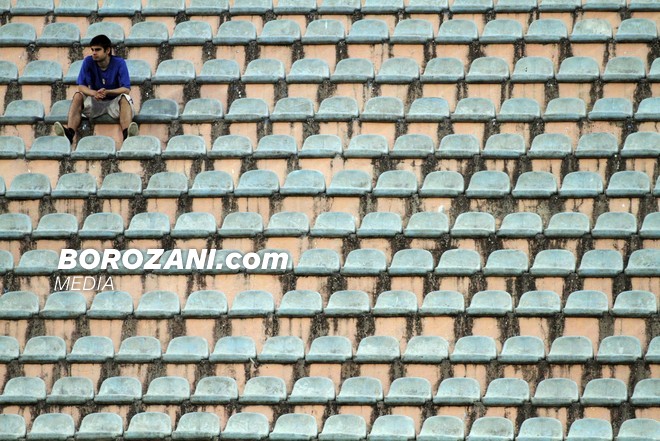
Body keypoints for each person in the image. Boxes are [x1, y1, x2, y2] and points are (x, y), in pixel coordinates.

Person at [54, 34, 138, 143]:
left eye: (97, 50)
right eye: (92, 50)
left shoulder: (119, 63)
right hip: (96, 102)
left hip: (114, 103)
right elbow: (81, 86)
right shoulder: (88, 61)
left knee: (125, 97)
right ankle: (69, 133)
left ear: (107, 50)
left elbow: (126, 89)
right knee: (78, 95)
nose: (94, 53)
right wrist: (94, 93)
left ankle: (127, 135)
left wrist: (107, 91)